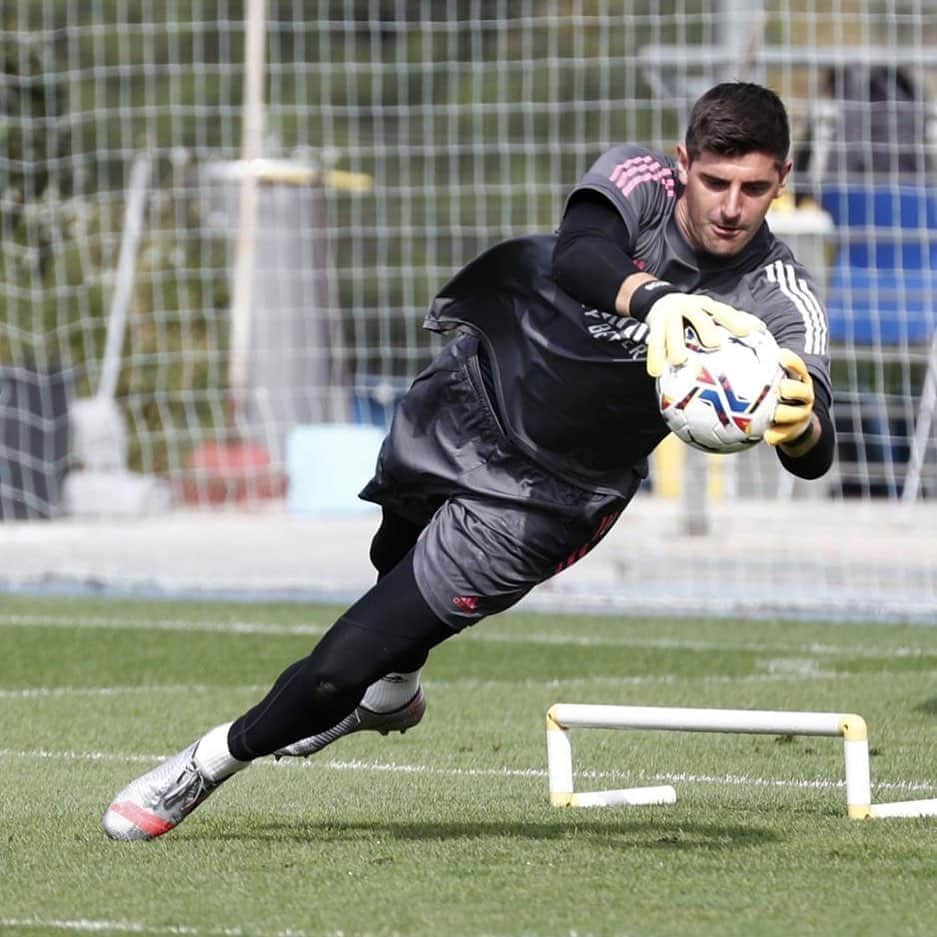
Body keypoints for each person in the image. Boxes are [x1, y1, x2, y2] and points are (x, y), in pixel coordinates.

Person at [102, 81, 834, 841]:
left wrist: (798, 424)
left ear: (780, 181)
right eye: (714, 182)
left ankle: (207, 760)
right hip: (468, 397)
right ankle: (393, 688)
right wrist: (654, 299)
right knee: (390, 550)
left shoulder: (778, 297)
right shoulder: (639, 182)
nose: (729, 205)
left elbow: (815, 451)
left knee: (336, 667)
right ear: (684, 164)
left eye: (753, 188)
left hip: (544, 499)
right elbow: (579, 254)